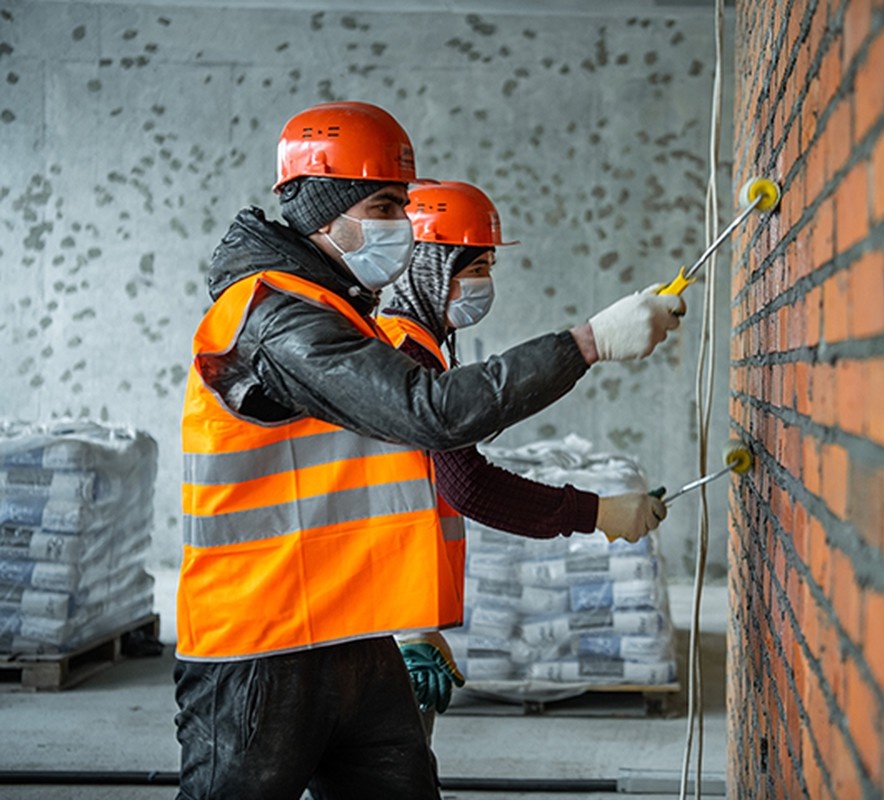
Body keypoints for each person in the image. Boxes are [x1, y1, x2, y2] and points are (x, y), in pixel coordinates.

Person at [174, 100, 683, 800]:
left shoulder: (338, 313)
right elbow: (430, 415)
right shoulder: (273, 317)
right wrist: (586, 343)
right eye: (383, 207)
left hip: (351, 632)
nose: (400, 228)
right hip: (261, 643)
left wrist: (411, 628)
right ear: (326, 210)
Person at [376, 180, 670, 736]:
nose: (483, 284)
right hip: (378, 625)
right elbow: (467, 485)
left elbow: (474, 422)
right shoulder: (404, 349)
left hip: (393, 617)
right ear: (426, 267)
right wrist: (597, 513)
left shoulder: (418, 343)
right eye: (473, 268)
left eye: (488, 268)